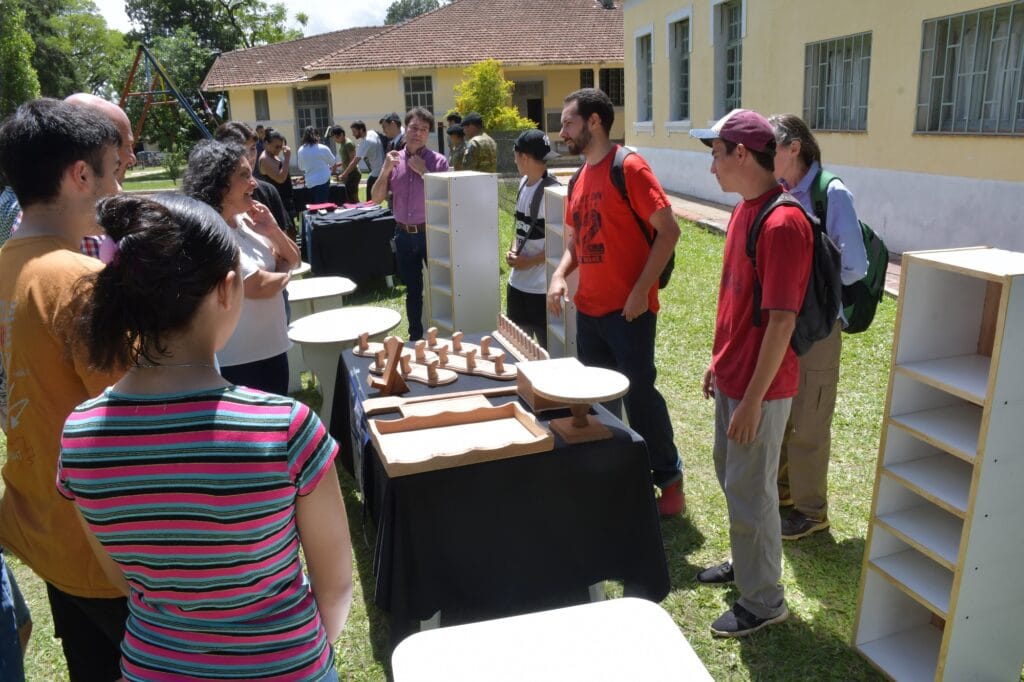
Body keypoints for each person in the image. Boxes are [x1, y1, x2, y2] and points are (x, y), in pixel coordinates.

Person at [57, 192, 353, 681]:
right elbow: (336, 588)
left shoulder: (80, 436)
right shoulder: (286, 427)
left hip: (155, 666)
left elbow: (123, 578)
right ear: (227, 289)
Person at [0, 97, 129, 680]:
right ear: (81, 175)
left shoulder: (7, 265)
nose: (118, 188)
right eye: (113, 171)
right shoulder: (81, 280)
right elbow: (137, 417)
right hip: (109, 550)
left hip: (45, 532)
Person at [689, 109, 813, 637]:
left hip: (760, 388)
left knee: (752, 491)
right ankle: (748, 564)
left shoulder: (783, 223)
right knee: (734, 479)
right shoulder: (745, 210)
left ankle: (763, 600)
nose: (712, 166)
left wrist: (754, 400)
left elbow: (782, 322)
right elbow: (736, 303)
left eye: (717, 154)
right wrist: (719, 363)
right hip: (735, 377)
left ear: (742, 153)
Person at [547, 88, 684, 516]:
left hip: (630, 312)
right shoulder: (577, 179)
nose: (562, 132)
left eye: (568, 123)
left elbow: (669, 231)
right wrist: (559, 274)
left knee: (640, 397)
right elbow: (577, 240)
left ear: (594, 122)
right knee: (600, 402)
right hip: (589, 310)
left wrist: (641, 291)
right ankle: (616, 474)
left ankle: (670, 480)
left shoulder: (630, 168)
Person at [769, 114, 869, 541]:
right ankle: (785, 491)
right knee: (785, 410)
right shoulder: (781, 191)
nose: (762, 155)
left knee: (810, 419)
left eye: (770, 147)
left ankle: (811, 513)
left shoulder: (832, 193)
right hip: (786, 323)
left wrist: (812, 289)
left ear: (794, 147)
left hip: (819, 326)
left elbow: (856, 265)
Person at [183, 140, 300, 394]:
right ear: (219, 183)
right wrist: (285, 269)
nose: (254, 182)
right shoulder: (209, 231)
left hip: (272, 348)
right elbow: (259, 285)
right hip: (237, 361)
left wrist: (273, 230)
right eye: (244, 175)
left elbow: (294, 257)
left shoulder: (248, 219)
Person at [371, 107, 449, 341]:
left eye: (424, 129)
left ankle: (444, 337)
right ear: (405, 129)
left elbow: (448, 198)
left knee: (441, 288)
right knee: (413, 290)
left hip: (431, 234)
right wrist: (385, 170)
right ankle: (415, 337)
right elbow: (376, 198)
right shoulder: (394, 160)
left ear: (428, 133)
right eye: (414, 128)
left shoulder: (438, 162)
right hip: (403, 235)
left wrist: (425, 172)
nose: (418, 133)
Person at [506, 129, 560, 348]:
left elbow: (561, 246)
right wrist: (514, 250)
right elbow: (521, 227)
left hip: (540, 290)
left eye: (515, 155)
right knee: (519, 347)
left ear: (524, 157)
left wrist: (528, 262)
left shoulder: (553, 193)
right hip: (517, 285)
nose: (514, 160)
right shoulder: (523, 183)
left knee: (546, 352)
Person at [216, 121, 293, 236]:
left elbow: (285, 239)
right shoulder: (213, 199)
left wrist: (275, 234)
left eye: (253, 148)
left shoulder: (268, 192)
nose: (249, 157)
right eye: (241, 150)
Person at [344, 121, 384, 200]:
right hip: (380, 169)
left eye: (354, 131)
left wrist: (344, 174)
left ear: (361, 130)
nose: (353, 134)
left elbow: (355, 161)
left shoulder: (366, 142)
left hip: (377, 173)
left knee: (370, 200)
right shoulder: (372, 133)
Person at [297, 126, 336, 205]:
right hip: (323, 180)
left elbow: (301, 167)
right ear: (317, 136)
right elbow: (333, 162)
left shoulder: (300, 149)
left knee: (313, 206)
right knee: (322, 206)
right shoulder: (323, 148)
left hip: (310, 182)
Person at [330, 126, 360, 203]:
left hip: (353, 174)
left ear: (342, 134)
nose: (335, 140)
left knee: (353, 198)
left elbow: (353, 160)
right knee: (348, 197)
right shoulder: (342, 143)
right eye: (333, 138)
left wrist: (344, 174)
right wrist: (338, 164)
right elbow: (346, 159)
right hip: (348, 173)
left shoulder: (348, 144)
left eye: (336, 138)